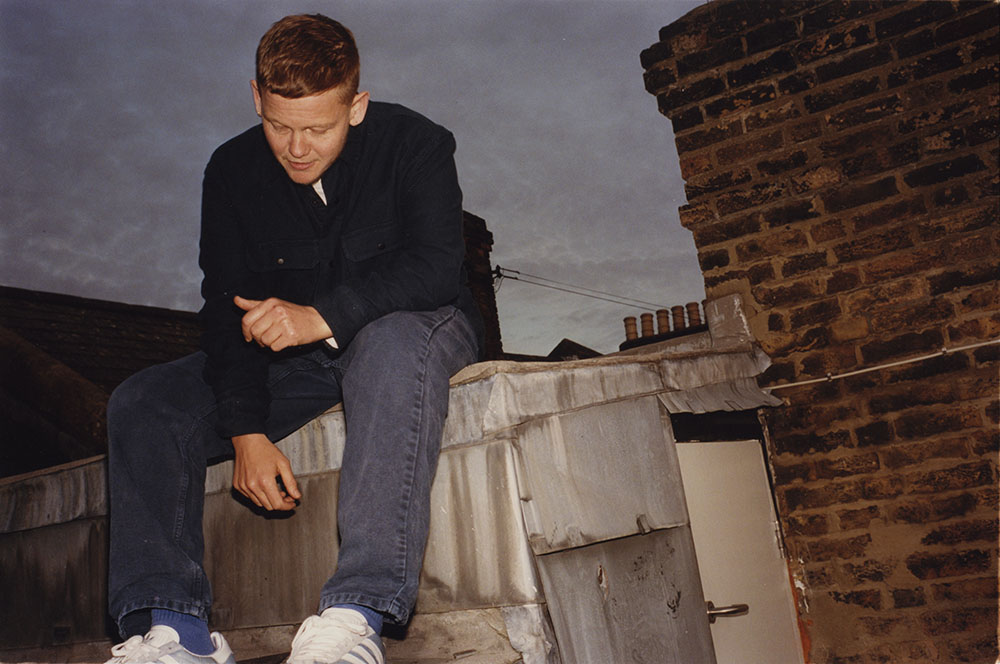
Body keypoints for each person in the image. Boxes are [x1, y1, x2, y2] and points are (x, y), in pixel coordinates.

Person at [104, 13, 482, 664]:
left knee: (387, 343)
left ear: (356, 106)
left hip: (420, 329)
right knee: (144, 402)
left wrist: (323, 316)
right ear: (257, 98)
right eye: (280, 126)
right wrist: (246, 430)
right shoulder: (231, 171)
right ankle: (177, 634)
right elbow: (226, 311)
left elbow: (436, 267)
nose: (298, 147)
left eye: (318, 128)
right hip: (301, 366)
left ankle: (355, 618)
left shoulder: (416, 143)